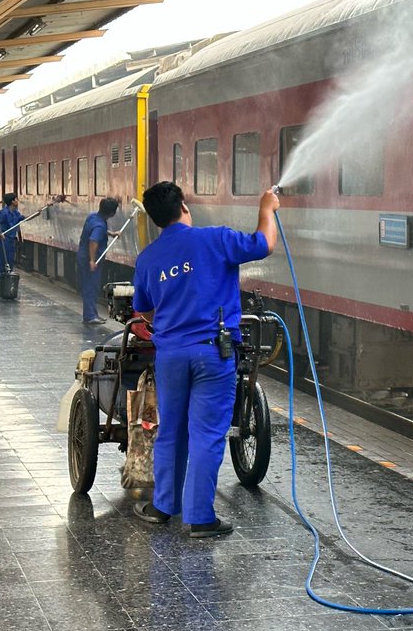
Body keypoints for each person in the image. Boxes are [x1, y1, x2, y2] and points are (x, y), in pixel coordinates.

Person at [131, 181, 279, 537]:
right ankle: (199, 517)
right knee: (207, 433)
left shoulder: (149, 258)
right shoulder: (215, 239)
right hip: (214, 353)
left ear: (154, 219)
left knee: (171, 430)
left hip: (171, 356)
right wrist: (266, 208)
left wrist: (172, 325)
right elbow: (265, 244)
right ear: (183, 206)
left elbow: (144, 310)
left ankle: (162, 507)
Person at [77, 197, 120, 324]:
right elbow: (93, 241)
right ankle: (90, 316)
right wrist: (92, 260)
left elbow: (97, 230)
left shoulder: (93, 217)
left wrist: (111, 234)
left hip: (83, 256)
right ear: (112, 213)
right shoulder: (100, 225)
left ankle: (92, 314)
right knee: (91, 287)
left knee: (91, 286)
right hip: (89, 260)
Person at [0, 193, 24, 288]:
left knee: (10, 260)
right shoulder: (3, 213)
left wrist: (38, 212)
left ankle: (6, 279)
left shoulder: (16, 213)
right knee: (1, 260)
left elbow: (24, 219)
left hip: (11, 240)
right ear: (12, 201)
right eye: (16, 199)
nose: (17, 201)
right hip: (3, 240)